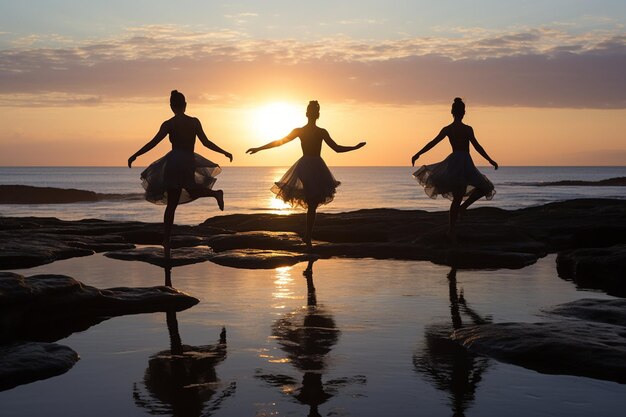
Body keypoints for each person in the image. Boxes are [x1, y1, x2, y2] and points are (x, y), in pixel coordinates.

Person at [246, 100, 365, 248]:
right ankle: (307, 235)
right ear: (316, 115)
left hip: (309, 166)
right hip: (313, 166)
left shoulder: (311, 131)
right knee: (312, 203)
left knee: (312, 203)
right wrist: (259, 148)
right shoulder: (312, 131)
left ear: (308, 114)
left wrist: (355, 147)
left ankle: (308, 235)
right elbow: (337, 149)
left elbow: (280, 142)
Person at [128, 90, 233, 258]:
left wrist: (136, 155)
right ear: (185, 105)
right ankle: (215, 194)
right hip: (187, 161)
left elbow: (153, 143)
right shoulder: (194, 122)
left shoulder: (169, 124)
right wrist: (224, 152)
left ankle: (167, 239)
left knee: (172, 204)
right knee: (190, 191)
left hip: (173, 162)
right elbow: (206, 142)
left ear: (171, 106)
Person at [411, 97, 498, 242]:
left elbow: (432, 143)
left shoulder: (450, 129)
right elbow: (477, 146)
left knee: (459, 198)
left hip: (457, 162)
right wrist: (489, 160)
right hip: (463, 162)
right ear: (463, 113)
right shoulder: (464, 129)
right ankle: (453, 227)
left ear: (452, 112)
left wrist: (418, 153)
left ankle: (455, 222)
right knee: (484, 188)